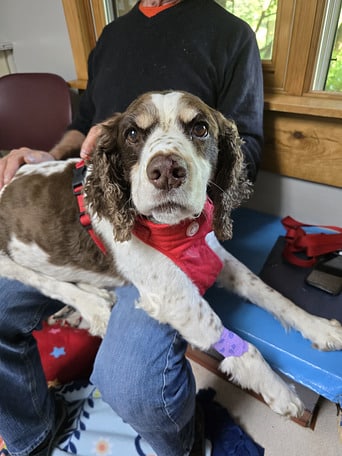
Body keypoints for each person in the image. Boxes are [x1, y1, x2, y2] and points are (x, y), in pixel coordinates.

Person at [0, 1, 264, 455]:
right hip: (86, 217)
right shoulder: (110, 37)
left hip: (165, 240)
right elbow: (83, 128)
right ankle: (34, 434)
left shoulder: (231, 33)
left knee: (131, 384)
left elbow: (247, 149)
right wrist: (49, 156)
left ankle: (184, 441)